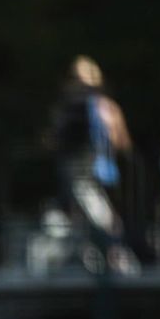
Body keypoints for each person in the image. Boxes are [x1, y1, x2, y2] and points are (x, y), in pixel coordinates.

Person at [49, 55, 138, 274]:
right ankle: (108, 265)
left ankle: (117, 266)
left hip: (101, 174)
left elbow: (122, 142)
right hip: (80, 175)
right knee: (93, 222)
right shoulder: (73, 105)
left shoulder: (104, 106)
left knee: (106, 222)